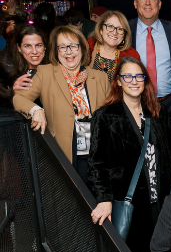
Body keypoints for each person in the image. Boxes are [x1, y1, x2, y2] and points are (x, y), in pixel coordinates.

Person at [88, 56, 171, 252]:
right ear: (118, 81)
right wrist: (104, 198)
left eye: (139, 76)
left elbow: (169, 154)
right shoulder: (105, 116)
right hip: (131, 202)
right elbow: (97, 163)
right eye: (127, 76)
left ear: (145, 80)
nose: (134, 81)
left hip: (161, 200)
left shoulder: (157, 112)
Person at [12, 25, 110, 179]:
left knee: (98, 200)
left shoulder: (100, 78)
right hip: (64, 154)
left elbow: (111, 116)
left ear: (82, 48)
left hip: (98, 154)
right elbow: (19, 98)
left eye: (73, 46)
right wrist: (35, 110)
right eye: (62, 47)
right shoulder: (45, 73)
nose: (68, 51)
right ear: (56, 51)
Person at [129, 0, 171, 149]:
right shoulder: (125, 30)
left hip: (170, 105)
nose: (147, 3)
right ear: (135, 3)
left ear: (159, 4)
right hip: (137, 104)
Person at [88, 10, 140, 84]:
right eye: (110, 26)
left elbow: (135, 84)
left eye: (120, 29)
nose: (114, 32)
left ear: (124, 35)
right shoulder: (87, 48)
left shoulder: (131, 55)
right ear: (100, 30)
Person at [2, 26, 46, 93]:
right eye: (27, 46)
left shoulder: (56, 71)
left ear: (44, 47)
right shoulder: (9, 74)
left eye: (38, 45)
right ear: (19, 48)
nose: (34, 52)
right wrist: (13, 92)